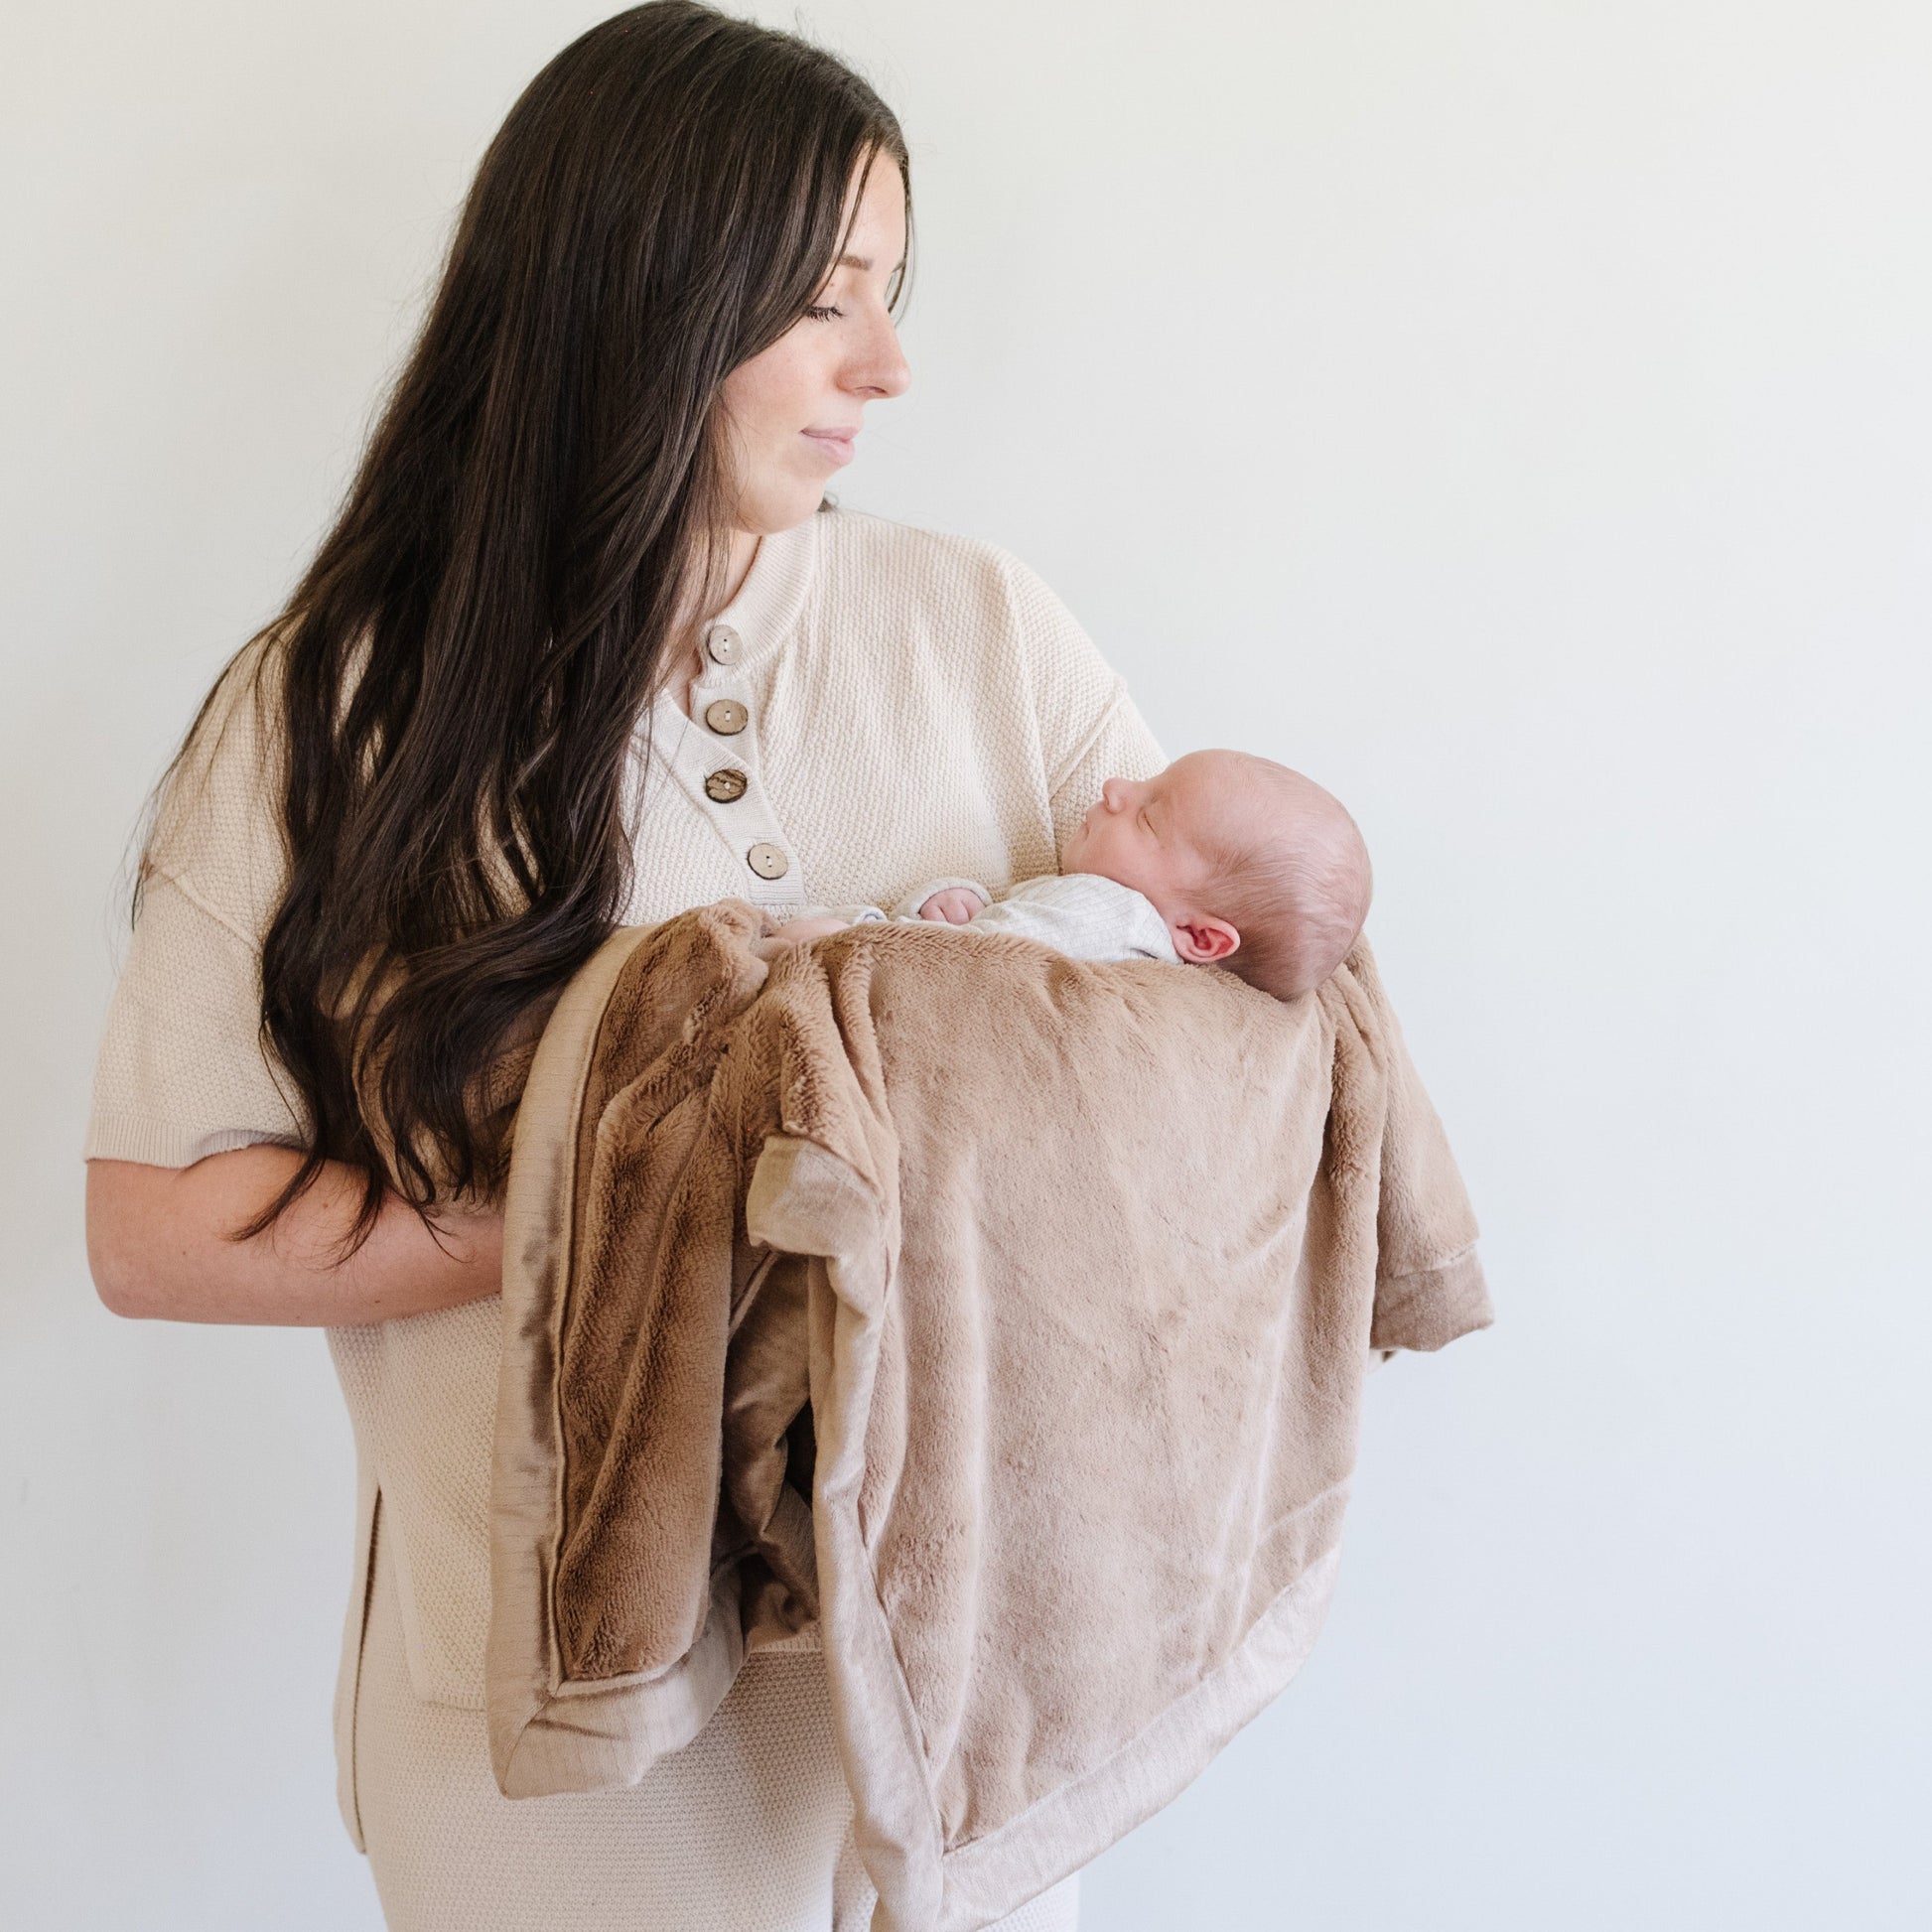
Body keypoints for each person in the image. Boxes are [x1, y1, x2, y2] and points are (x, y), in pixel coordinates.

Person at [80, 5, 1159, 1928]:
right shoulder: (338, 710)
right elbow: (155, 1229)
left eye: (891, 290)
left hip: (953, 1675)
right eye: (825, 300)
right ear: (644, 296)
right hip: (555, 1722)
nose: (888, 363)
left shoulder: (984, 630)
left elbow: (1183, 1039)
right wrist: (627, 1203)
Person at [788, 751, 1372, 1000]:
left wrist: (850, 933)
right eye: (1145, 782)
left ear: (1199, 935)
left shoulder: (1109, 912)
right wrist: (963, 901)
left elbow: (965, 965)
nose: (1115, 788)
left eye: (1148, 816)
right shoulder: (1136, 948)